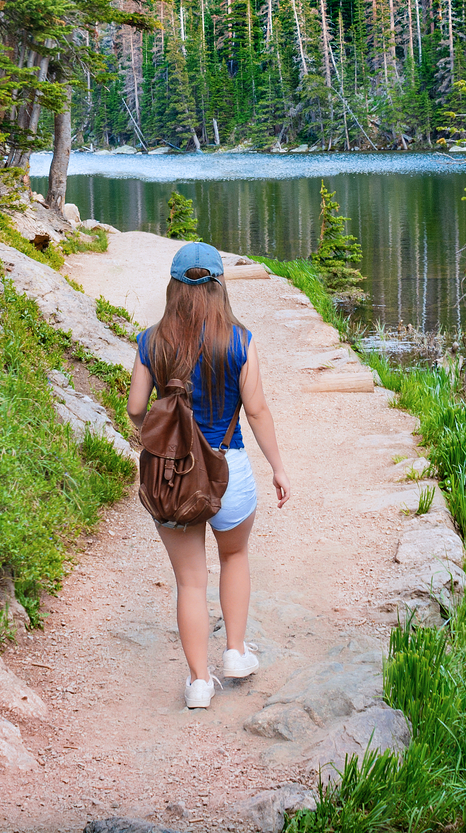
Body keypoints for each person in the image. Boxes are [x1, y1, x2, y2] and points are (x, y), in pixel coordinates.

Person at [128, 240, 291, 709]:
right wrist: (279, 468)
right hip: (229, 468)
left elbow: (137, 408)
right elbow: (257, 412)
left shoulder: (151, 340)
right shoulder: (239, 340)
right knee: (235, 557)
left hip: (172, 476)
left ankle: (200, 683)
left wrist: (162, 435)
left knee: (190, 581)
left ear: (173, 288)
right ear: (219, 285)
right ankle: (236, 653)